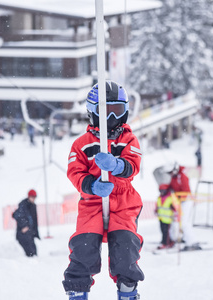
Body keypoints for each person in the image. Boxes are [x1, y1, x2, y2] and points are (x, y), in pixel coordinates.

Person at [62, 81, 144, 300]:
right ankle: (77, 290)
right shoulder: (82, 144)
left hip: (123, 200)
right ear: (92, 112)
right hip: (92, 201)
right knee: (83, 248)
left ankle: (128, 291)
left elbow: (133, 164)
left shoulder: (128, 139)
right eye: (105, 112)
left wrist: (118, 166)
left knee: (125, 248)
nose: (111, 120)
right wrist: (90, 185)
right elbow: (74, 171)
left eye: (117, 112)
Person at [167, 163, 200, 251]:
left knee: (183, 222)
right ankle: (184, 238)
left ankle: (192, 242)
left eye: (170, 172)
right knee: (178, 221)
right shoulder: (173, 177)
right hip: (180, 201)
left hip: (186, 200)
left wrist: (178, 199)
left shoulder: (182, 176)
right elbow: (171, 187)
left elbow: (185, 191)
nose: (170, 174)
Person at [12, 189, 40, 257]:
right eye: (32, 197)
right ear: (29, 196)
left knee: (34, 252)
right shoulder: (23, 205)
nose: (33, 198)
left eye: (35, 197)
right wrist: (25, 226)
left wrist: (35, 232)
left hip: (30, 232)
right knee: (29, 252)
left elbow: (34, 220)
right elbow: (19, 216)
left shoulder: (33, 205)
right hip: (23, 232)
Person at [155, 184, 179, 249]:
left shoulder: (171, 198)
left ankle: (165, 243)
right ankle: (167, 241)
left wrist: (173, 207)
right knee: (163, 231)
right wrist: (156, 210)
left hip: (168, 218)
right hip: (161, 218)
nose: (161, 192)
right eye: (160, 191)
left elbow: (177, 206)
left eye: (163, 190)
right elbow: (158, 206)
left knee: (167, 232)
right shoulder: (159, 198)